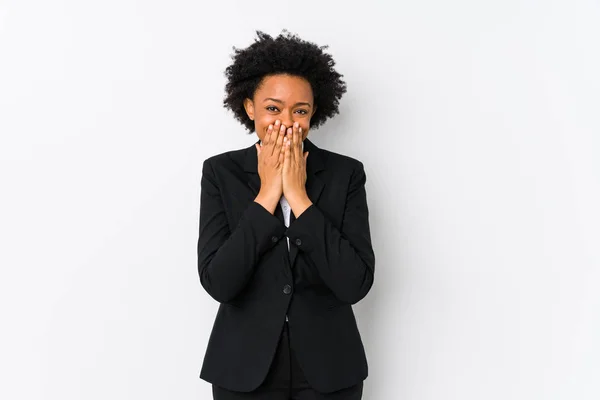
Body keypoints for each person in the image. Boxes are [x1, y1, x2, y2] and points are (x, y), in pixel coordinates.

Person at [197, 30, 375, 400]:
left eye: (300, 111)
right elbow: (219, 282)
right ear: (250, 108)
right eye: (273, 109)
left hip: (330, 370)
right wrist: (266, 196)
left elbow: (354, 284)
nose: (287, 123)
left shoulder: (346, 174)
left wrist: (298, 196)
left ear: (315, 112)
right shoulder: (220, 173)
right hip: (243, 369)